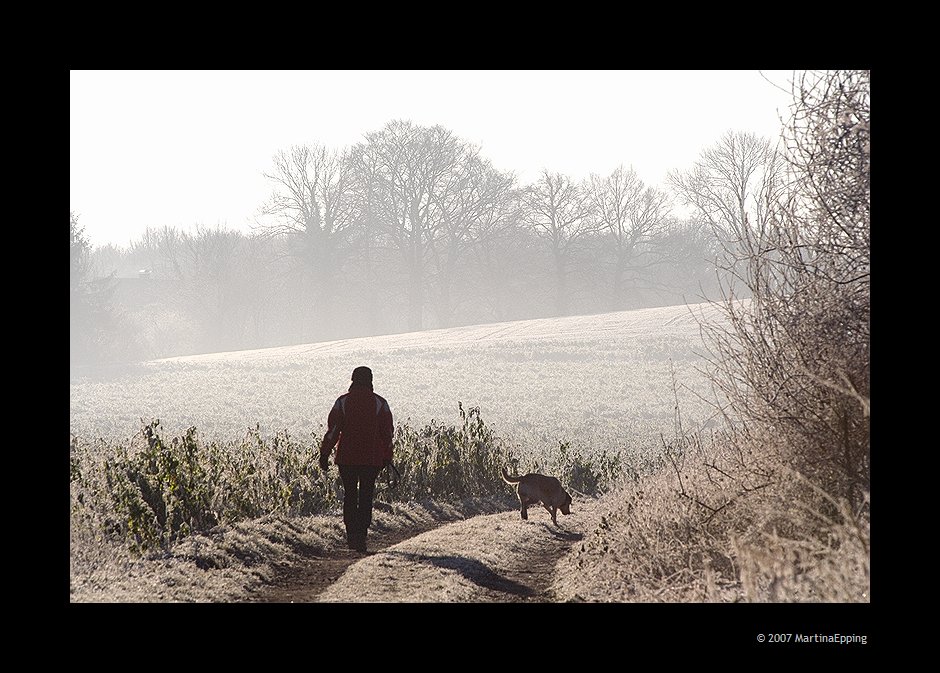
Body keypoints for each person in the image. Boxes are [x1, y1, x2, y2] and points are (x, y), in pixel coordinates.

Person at [319, 366, 394, 553]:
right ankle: (361, 534)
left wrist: (324, 454)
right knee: (366, 494)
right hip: (371, 458)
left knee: (350, 494)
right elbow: (387, 434)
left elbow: (333, 431)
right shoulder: (380, 403)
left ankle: (352, 534)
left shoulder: (342, 402)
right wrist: (387, 456)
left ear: (352, 380)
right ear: (370, 380)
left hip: (347, 458)